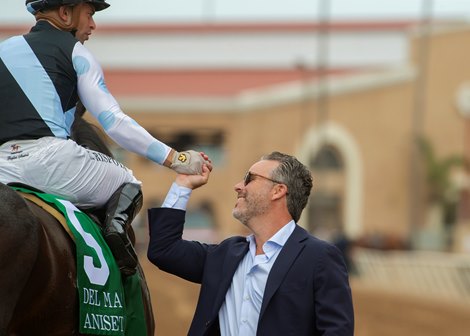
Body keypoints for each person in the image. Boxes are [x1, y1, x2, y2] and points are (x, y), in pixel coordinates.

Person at [0, 0, 210, 275]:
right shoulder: (76, 52)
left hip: (3, 168)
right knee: (128, 181)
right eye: (89, 14)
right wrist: (175, 158)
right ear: (65, 14)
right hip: (52, 161)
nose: (92, 25)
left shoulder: (4, 48)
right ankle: (117, 245)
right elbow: (112, 121)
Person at [148, 151, 354, 335]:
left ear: (278, 191)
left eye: (249, 179)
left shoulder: (319, 257)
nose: (238, 186)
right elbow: (164, 249)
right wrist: (183, 184)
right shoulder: (225, 254)